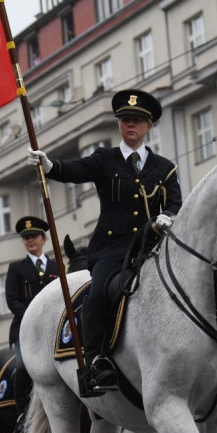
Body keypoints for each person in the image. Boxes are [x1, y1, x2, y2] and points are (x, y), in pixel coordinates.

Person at [27, 89, 182, 396]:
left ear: (149, 126)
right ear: (119, 125)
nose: (131, 126)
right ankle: (96, 359)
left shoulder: (165, 169)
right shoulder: (105, 159)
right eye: (125, 120)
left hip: (152, 248)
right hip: (112, 250)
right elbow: (76, 170)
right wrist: (49, 166)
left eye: (137, 120)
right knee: (98, 293)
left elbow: (176, 204)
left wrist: (168, 216)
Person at [5, 215, 59, 419]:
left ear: (43, 239)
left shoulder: (56, 267)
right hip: (25, 329)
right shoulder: (16, 269)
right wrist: (31, 318)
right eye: (26, 237)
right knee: (22, 366)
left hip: (53, 327)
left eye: (34, 236)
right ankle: (21, 411)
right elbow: (12, 300)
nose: (30, 240)